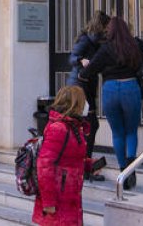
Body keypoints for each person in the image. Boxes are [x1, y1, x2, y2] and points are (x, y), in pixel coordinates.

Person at [77, 16, 143, 190]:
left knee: (117, 133)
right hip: (130, 87)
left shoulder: (105, 49)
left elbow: (89, 71)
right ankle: (131, 168)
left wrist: (82, 71)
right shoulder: (136, 45)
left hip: (110, 90)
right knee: (131, 131)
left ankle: (122, 170)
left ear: (109, 31)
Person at [31, 85, 93, 226]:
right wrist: (49, 202)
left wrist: (89, 165)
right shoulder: (59, 128)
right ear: (75, 104)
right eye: (84, 101)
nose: (87, 105)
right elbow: (45, 165)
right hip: (58, 199)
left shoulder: (74, 126)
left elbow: (70, 159)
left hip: (70, 198)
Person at [68, 10, 109, 177]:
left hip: (86, 86)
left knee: (87, 126)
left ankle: (83, 163)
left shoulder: (96, 41)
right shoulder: (86, 40)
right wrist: (80, 60)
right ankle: (85, 165)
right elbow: (72, 58)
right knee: (89, 125)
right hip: (80, 87)